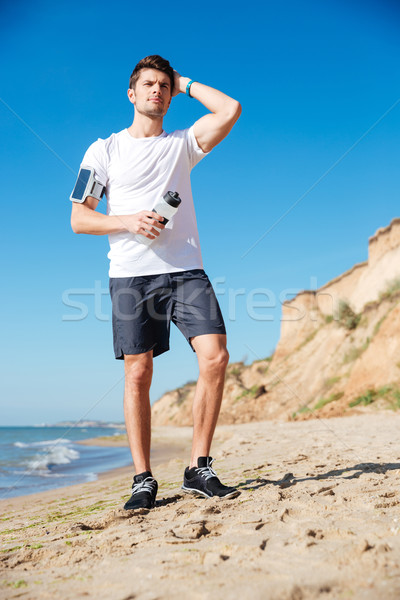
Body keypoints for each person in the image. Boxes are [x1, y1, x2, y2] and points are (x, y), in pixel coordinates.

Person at [70, 55, 241, 510]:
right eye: (148, 84)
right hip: (130, 274)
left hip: (186, 269)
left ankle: (198, 467)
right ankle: (143, 479)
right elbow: (79, 219)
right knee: (138, 372)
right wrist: (127, 221)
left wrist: (185, 81)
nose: (156, 91)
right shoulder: (102, 150)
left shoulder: (182, 144)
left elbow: (229, 109)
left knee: (215, 357)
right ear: (131, 93)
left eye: (164, 86)